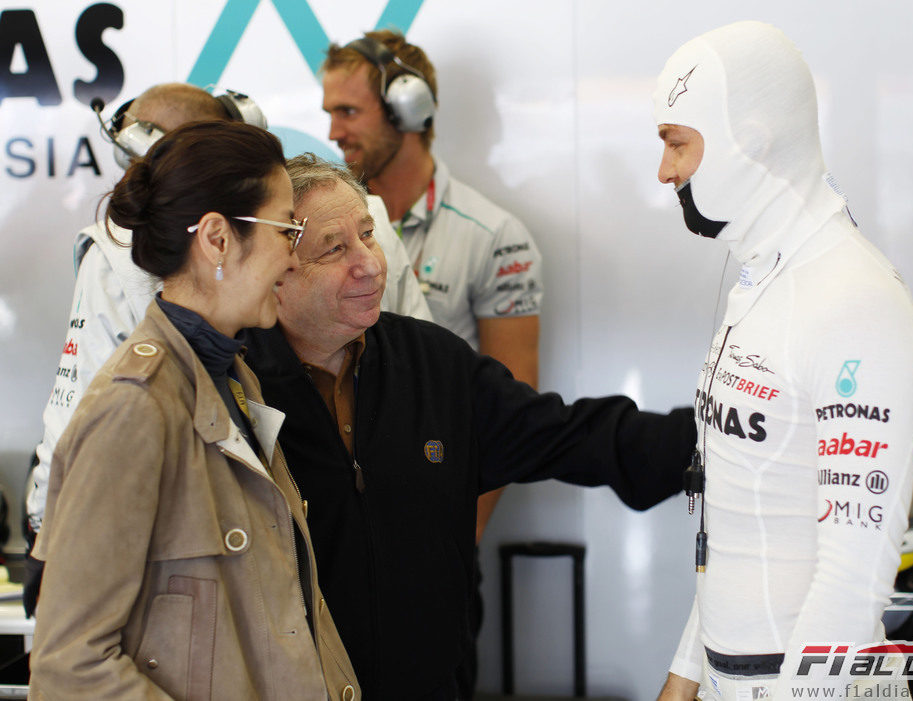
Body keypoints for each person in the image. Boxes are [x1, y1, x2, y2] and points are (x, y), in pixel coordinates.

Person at [239, 154, 698, 700]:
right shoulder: (234, 388)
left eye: (368, 234)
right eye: (335, 249)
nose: (370, 264)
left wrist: (716, 438)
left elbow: (571, 435)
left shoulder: (433, 363)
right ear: (277, 271)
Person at [24, 81, 431, 615]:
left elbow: (421, 389)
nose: (292, 258)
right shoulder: (134, 390)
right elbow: (80, 655)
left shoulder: (237, 365)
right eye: (288, 232)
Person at [28, 121, 360, 700]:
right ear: (217, 239)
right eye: (286, 229)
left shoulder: (232, 377)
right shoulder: (134, 408)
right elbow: (69, 666)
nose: (292, 255)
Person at [651, 21, 913, 700]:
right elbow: (738, 519)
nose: (664, 171)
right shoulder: (760, 280)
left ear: (748, 141)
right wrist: (685, 676)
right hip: (730, 678)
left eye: (677, 143)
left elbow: (853, 576)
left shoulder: (853, 299)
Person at [322, 32, 541, 693]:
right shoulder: (307, 227)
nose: (331, 130)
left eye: (348, 112)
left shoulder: (492, 237)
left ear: (408, 111)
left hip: (431, 549)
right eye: (328, 111)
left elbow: (510, 412)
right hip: (336, 545)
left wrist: (447, 541)